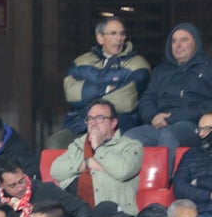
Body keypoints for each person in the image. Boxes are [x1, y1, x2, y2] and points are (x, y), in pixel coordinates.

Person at [129, 22, 212, 152]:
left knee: (169, 135)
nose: (178, 45)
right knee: (129, 138)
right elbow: (147, 98)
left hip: (194, 125)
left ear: (196, 43)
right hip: (158, 124)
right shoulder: (161, 71)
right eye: (174, 41)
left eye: (184, 40)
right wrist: (153, 116)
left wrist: (177, 116)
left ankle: (167, 173)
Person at [51, 17, 151, 146]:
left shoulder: (138, 65)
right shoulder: (81, 62)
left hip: (117, 125)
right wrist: (106, 89)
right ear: (100, 38)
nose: (119, 38)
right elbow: (72, 93)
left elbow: (126, 101)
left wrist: (88, 98)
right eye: (113, 34)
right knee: (55, 143)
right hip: (80, 123)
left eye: (122, 34)